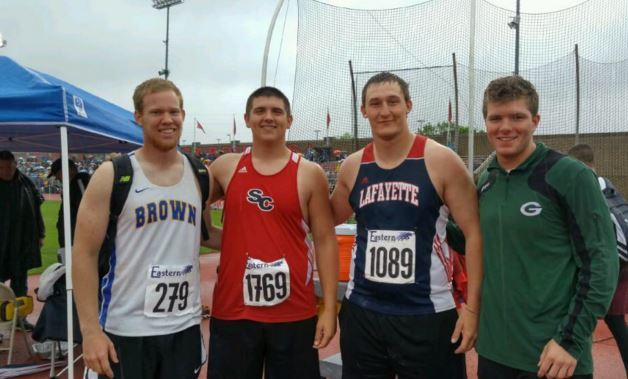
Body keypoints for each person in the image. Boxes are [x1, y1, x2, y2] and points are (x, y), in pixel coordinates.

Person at [330, 71, 483, 379]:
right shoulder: (353, 166)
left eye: (393, 102)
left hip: (427, 313)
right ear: (364, 111)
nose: (384, 111)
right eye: (375, 103)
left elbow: (474, 235)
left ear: (408, 105)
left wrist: (472, 308)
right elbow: (324, 220)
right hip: (363, 312)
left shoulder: (442, 161)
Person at [73, 78, 220, 379]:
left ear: (183, 114)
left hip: (184, 327)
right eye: (156, 112)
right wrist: (89, 331)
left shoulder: (199, 173)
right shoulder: (114, 174)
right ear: (138, 117)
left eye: (174, 111)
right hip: (126, 327)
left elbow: (209, 234)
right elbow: (84, 254)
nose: (167, 120)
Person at [475, 76, 618, 379]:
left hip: (553, 358)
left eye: (517, 117)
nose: (505, 127)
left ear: (535, 120)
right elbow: (471, 241)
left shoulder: (570, 175)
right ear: (485, 122)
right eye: (495, 118)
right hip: (493, 352)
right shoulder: (486, 178)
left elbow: (601, 262)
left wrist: (570, 340)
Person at [207, 86, 338, 379]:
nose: (269, 117)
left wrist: (329, 307)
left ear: (289, 120)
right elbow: (194, 210)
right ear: (247, 118)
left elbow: (326, 240)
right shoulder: (225, 167)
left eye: (277, 111)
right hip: (233, 311)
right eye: (260, 111)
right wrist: (215, 237)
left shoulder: (309, 172)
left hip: (294, 312)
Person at [567, 143, 628, 372]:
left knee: (581, 312)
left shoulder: (586, 186)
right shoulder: (608, 185)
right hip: (623, 261)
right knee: (614, 319)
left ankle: (576, 364)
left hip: (611, 262)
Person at [0, 150, 45, 330]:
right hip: (0, 242)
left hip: (21, 241)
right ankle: (2, 321)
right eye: (1, 168)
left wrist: (40, 234)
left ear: (15, 165)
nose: (6, 171)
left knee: (20, 282)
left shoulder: (26, 183)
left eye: (9, 167)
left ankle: (20, 318)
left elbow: (36, 211)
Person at [47, 158, 90, 251]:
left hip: (78, 240)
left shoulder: (79, 182)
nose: (57, 178)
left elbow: (87, 210)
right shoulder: (72, 185)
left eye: (57, 174)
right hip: (71, 239)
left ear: (67, 170)